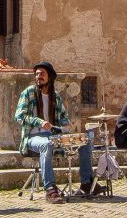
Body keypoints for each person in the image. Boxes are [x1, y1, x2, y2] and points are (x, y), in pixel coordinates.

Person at [14, 61, 95, 204]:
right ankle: (50, 189)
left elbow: (64, 118)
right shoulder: (28, 92)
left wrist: (66, 125)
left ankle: (87, 183)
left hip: (54, 136)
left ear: (49, 77)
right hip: (33, 137)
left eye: (42, 74)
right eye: (37, 74)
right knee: (46, 144)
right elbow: (19, 116)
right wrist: (39, 122)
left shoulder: (55, 96)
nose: (38, 76)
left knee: (85, 141)